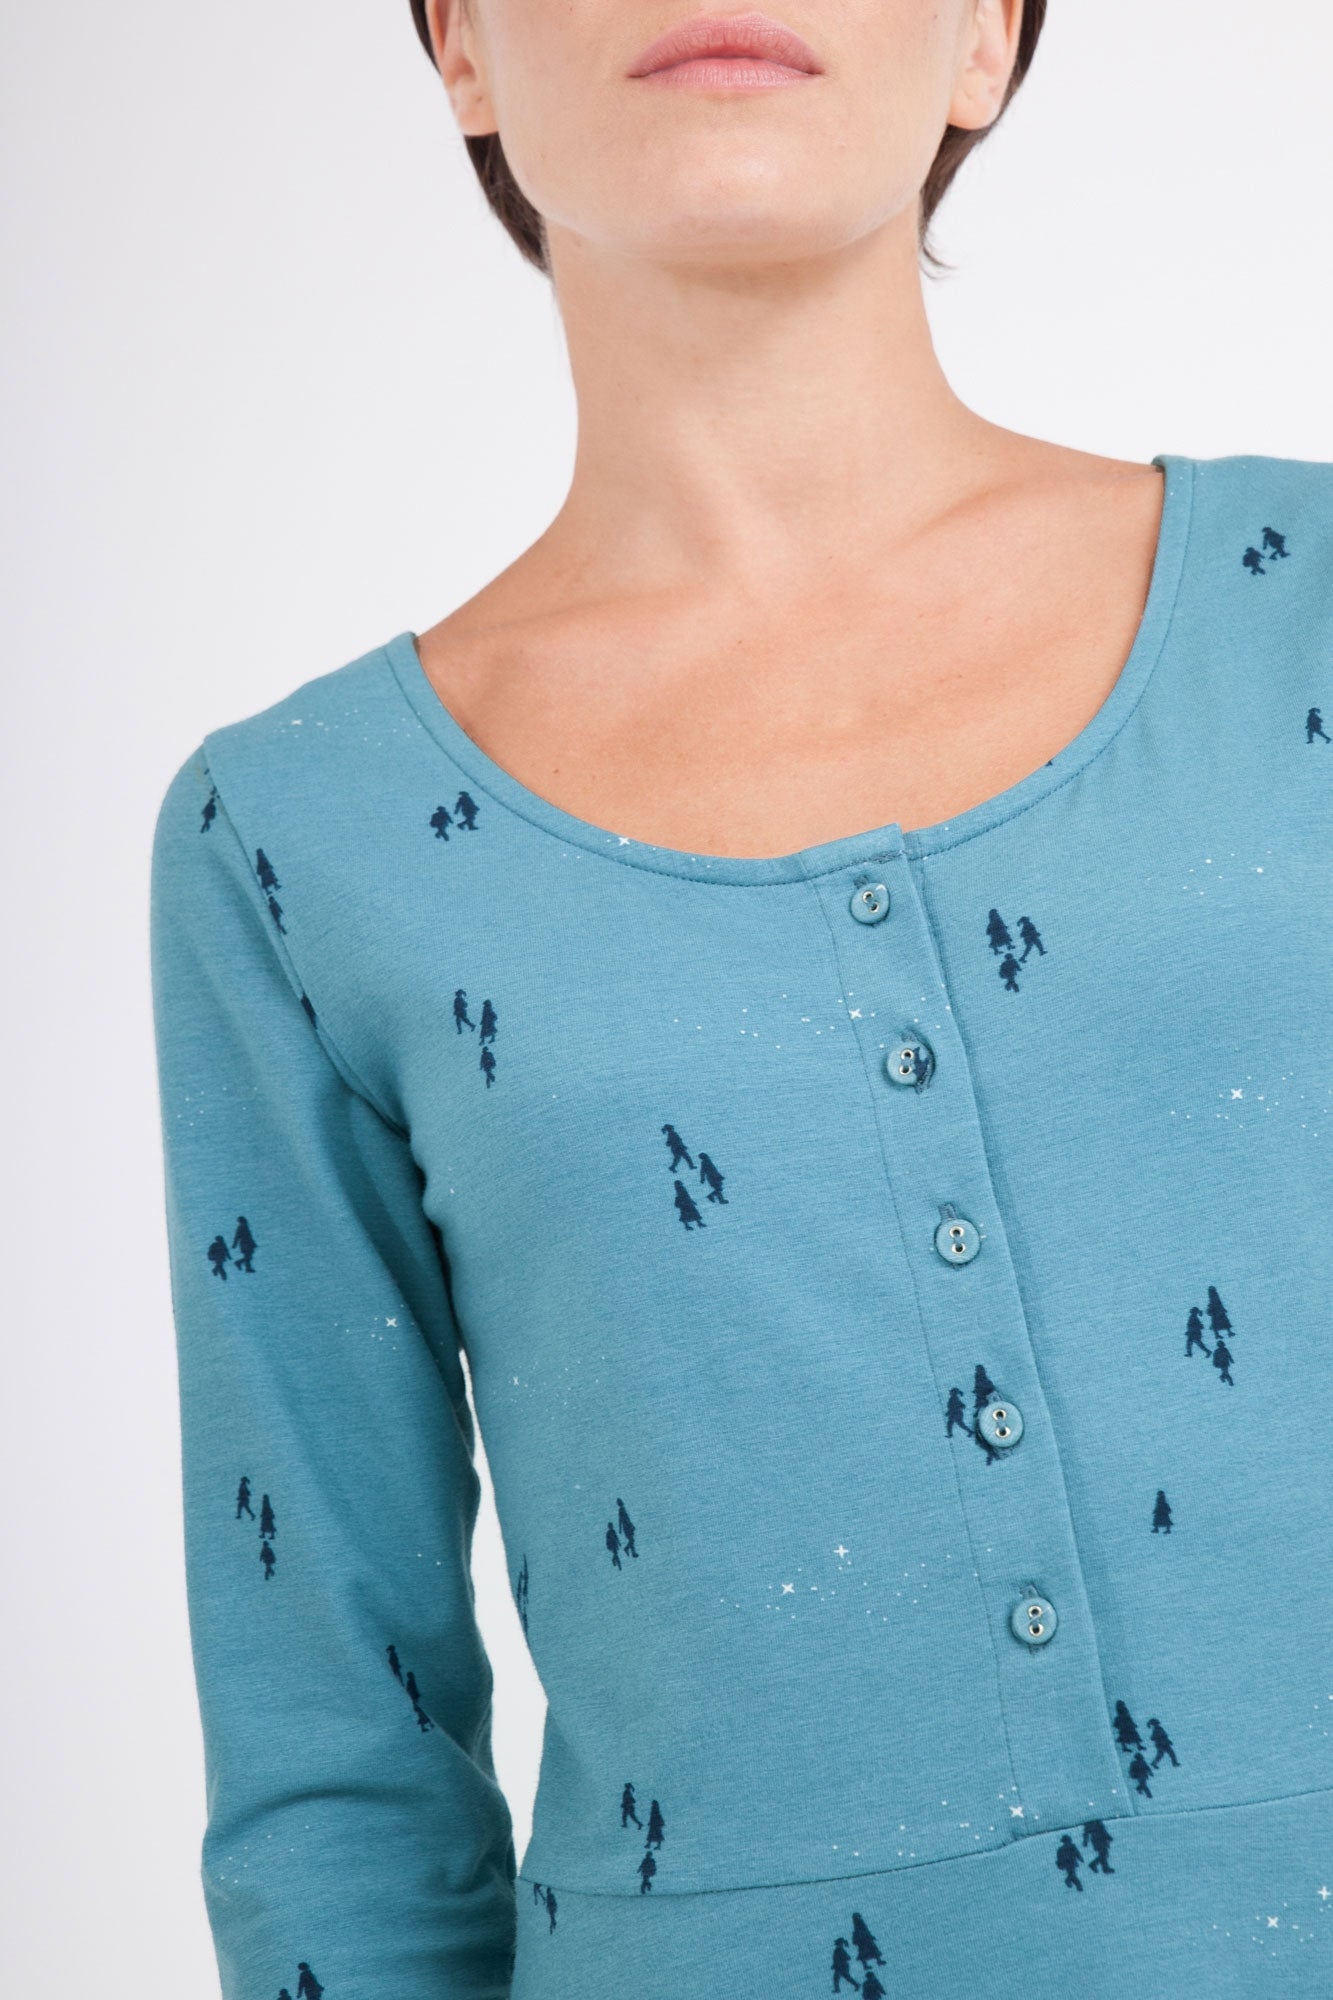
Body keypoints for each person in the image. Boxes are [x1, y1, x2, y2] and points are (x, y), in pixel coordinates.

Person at [147, 4, 1333, 1996]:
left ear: (981, 39)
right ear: (460, 50)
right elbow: (335, 1778)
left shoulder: (1304, 616)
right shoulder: (293, 841)